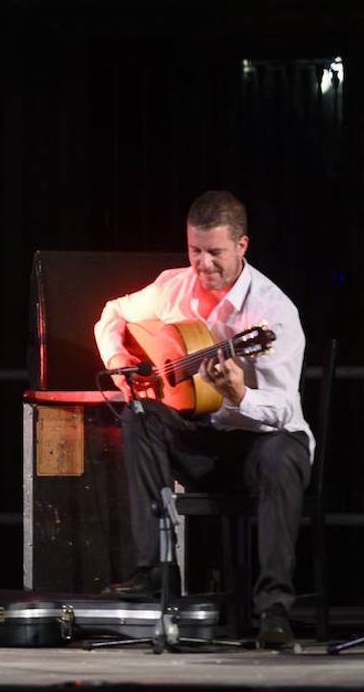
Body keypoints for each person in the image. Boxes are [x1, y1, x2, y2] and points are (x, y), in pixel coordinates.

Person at [94, 190, 311, 648]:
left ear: (242, 246)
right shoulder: (172, 286)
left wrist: (238, 393)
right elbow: (111, 314)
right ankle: (154, 571)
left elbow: (282, 409)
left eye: (215, 253)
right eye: (195, 251)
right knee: (140, 417)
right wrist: (120, 360)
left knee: (281, 454)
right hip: (201, 439)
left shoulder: (272, 314)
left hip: (259, 443)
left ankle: (273, 610)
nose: (203, 264)